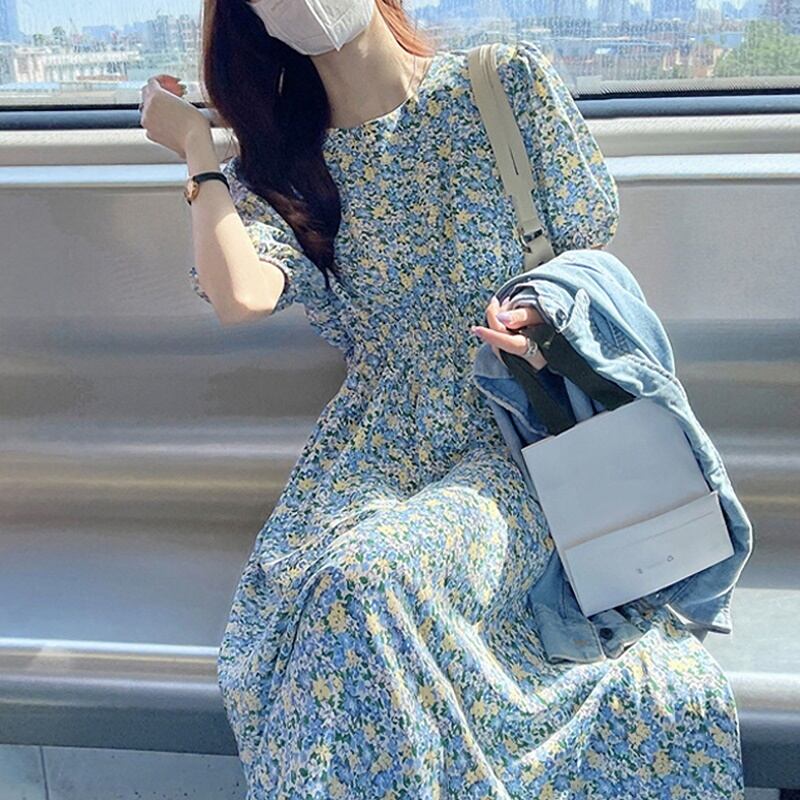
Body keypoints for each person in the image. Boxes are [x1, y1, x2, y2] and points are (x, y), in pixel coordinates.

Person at [139, 0, 745, 796]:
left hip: (521, 439)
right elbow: (239, 294)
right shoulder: (286, 169)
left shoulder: (502, 85)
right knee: (338, 598)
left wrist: (542, 316)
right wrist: (197, 150)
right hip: (373, 458)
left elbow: (585, 252)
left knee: (370, 580)